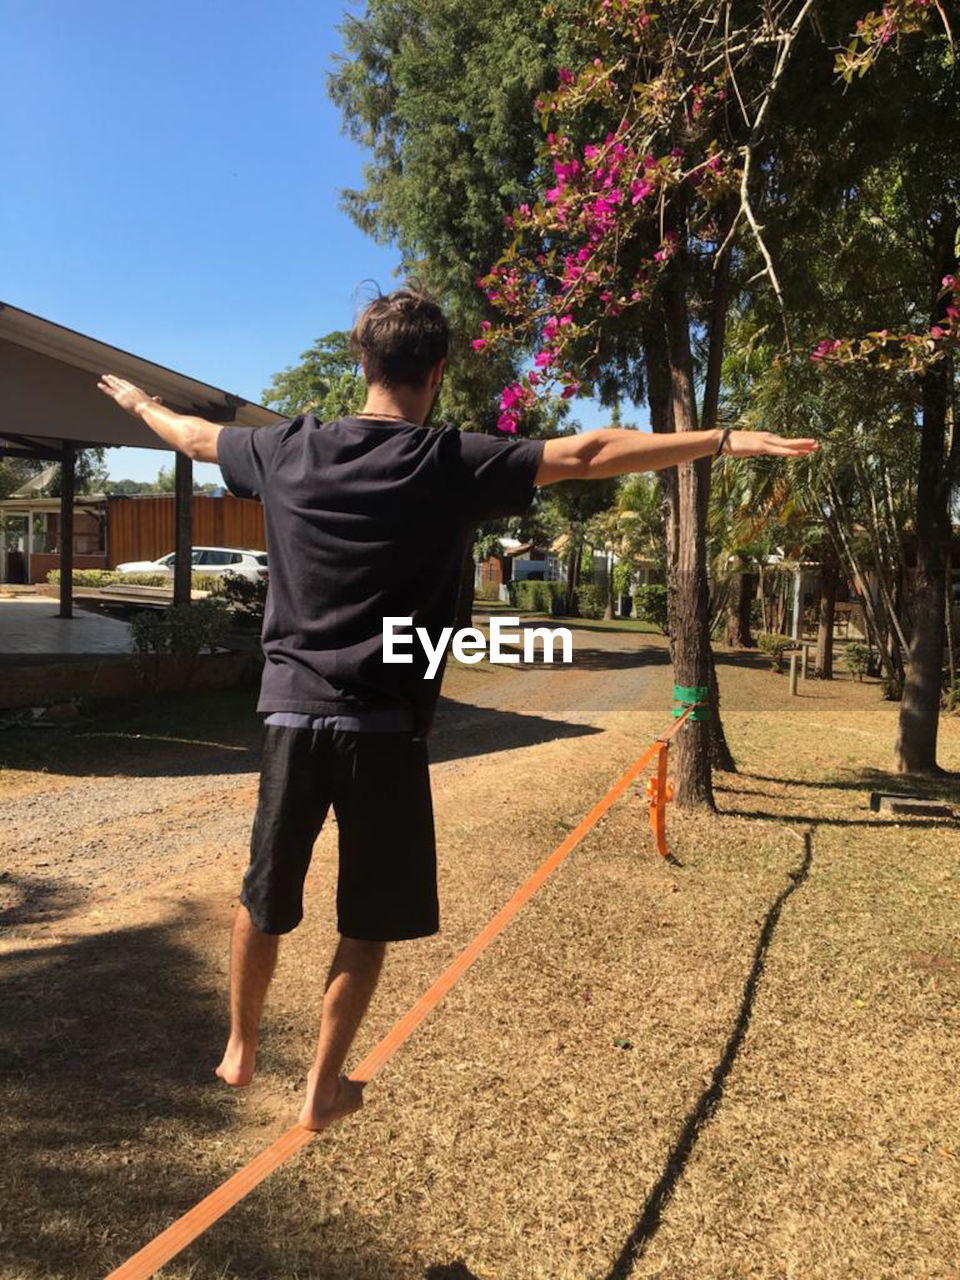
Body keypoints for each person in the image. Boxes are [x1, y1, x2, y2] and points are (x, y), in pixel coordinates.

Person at [97, 286, 816, 1132]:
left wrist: (141, 400)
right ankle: (322, 1089)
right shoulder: (448, 461)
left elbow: (188, 437)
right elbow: (589, 454)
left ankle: (240, 1046)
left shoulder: (286, 450)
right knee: (368, 921)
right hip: (387, 731)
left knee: (263, 896)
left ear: (361, 364)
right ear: (437, 372)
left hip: (289, 717)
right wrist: (720, 440)